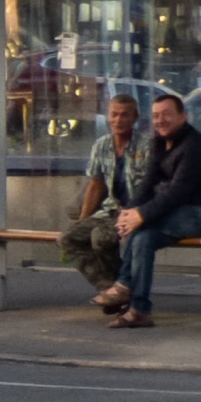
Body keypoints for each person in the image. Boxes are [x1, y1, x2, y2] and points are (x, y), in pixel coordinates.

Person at [104, 92, 201, 329]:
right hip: (174, 212)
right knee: (142, 240)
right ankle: (139, 310)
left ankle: (123, 284)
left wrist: (141, 215)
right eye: (156, 116)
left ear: (183, 116)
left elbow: (177, 193)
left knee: (142, 226)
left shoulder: (194, 146)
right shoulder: (159, 143)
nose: (161, 121)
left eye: (167, 115)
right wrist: (128, 212)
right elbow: (148, 185)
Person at [59, 94, 151, 302]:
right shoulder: (101, 145)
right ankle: (110, 288)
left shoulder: (147, 146)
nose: (118, 120)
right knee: (67, 238)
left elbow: (153, 188)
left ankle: (122, 291)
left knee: (101, 237)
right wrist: (83, 220)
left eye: (124, 115)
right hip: (109, 211)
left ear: (135, 117)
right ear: (108, 117)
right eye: (114, 115)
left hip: (136, 212)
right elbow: (95, 186)